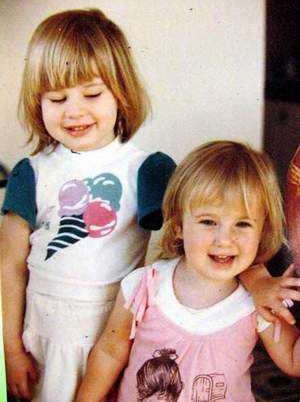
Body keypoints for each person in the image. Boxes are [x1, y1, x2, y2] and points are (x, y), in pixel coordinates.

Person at [0, 8, 176, 402]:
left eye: (92, 94)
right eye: (57, 98)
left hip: (111, 343)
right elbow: (8, 267)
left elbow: (209, 230)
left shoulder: (146, 169)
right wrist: (10, 350)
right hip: (41, 338)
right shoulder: (31, 174)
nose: (74, 110)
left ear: (121, 93)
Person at [76, 141, 300, 402]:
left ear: (261, 231)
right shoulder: (145, 287)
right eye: (208, 222)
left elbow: (293, 360)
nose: (224, 239)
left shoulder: (258, 303)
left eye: (242, 223)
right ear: (179, 225)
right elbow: (110, 351)